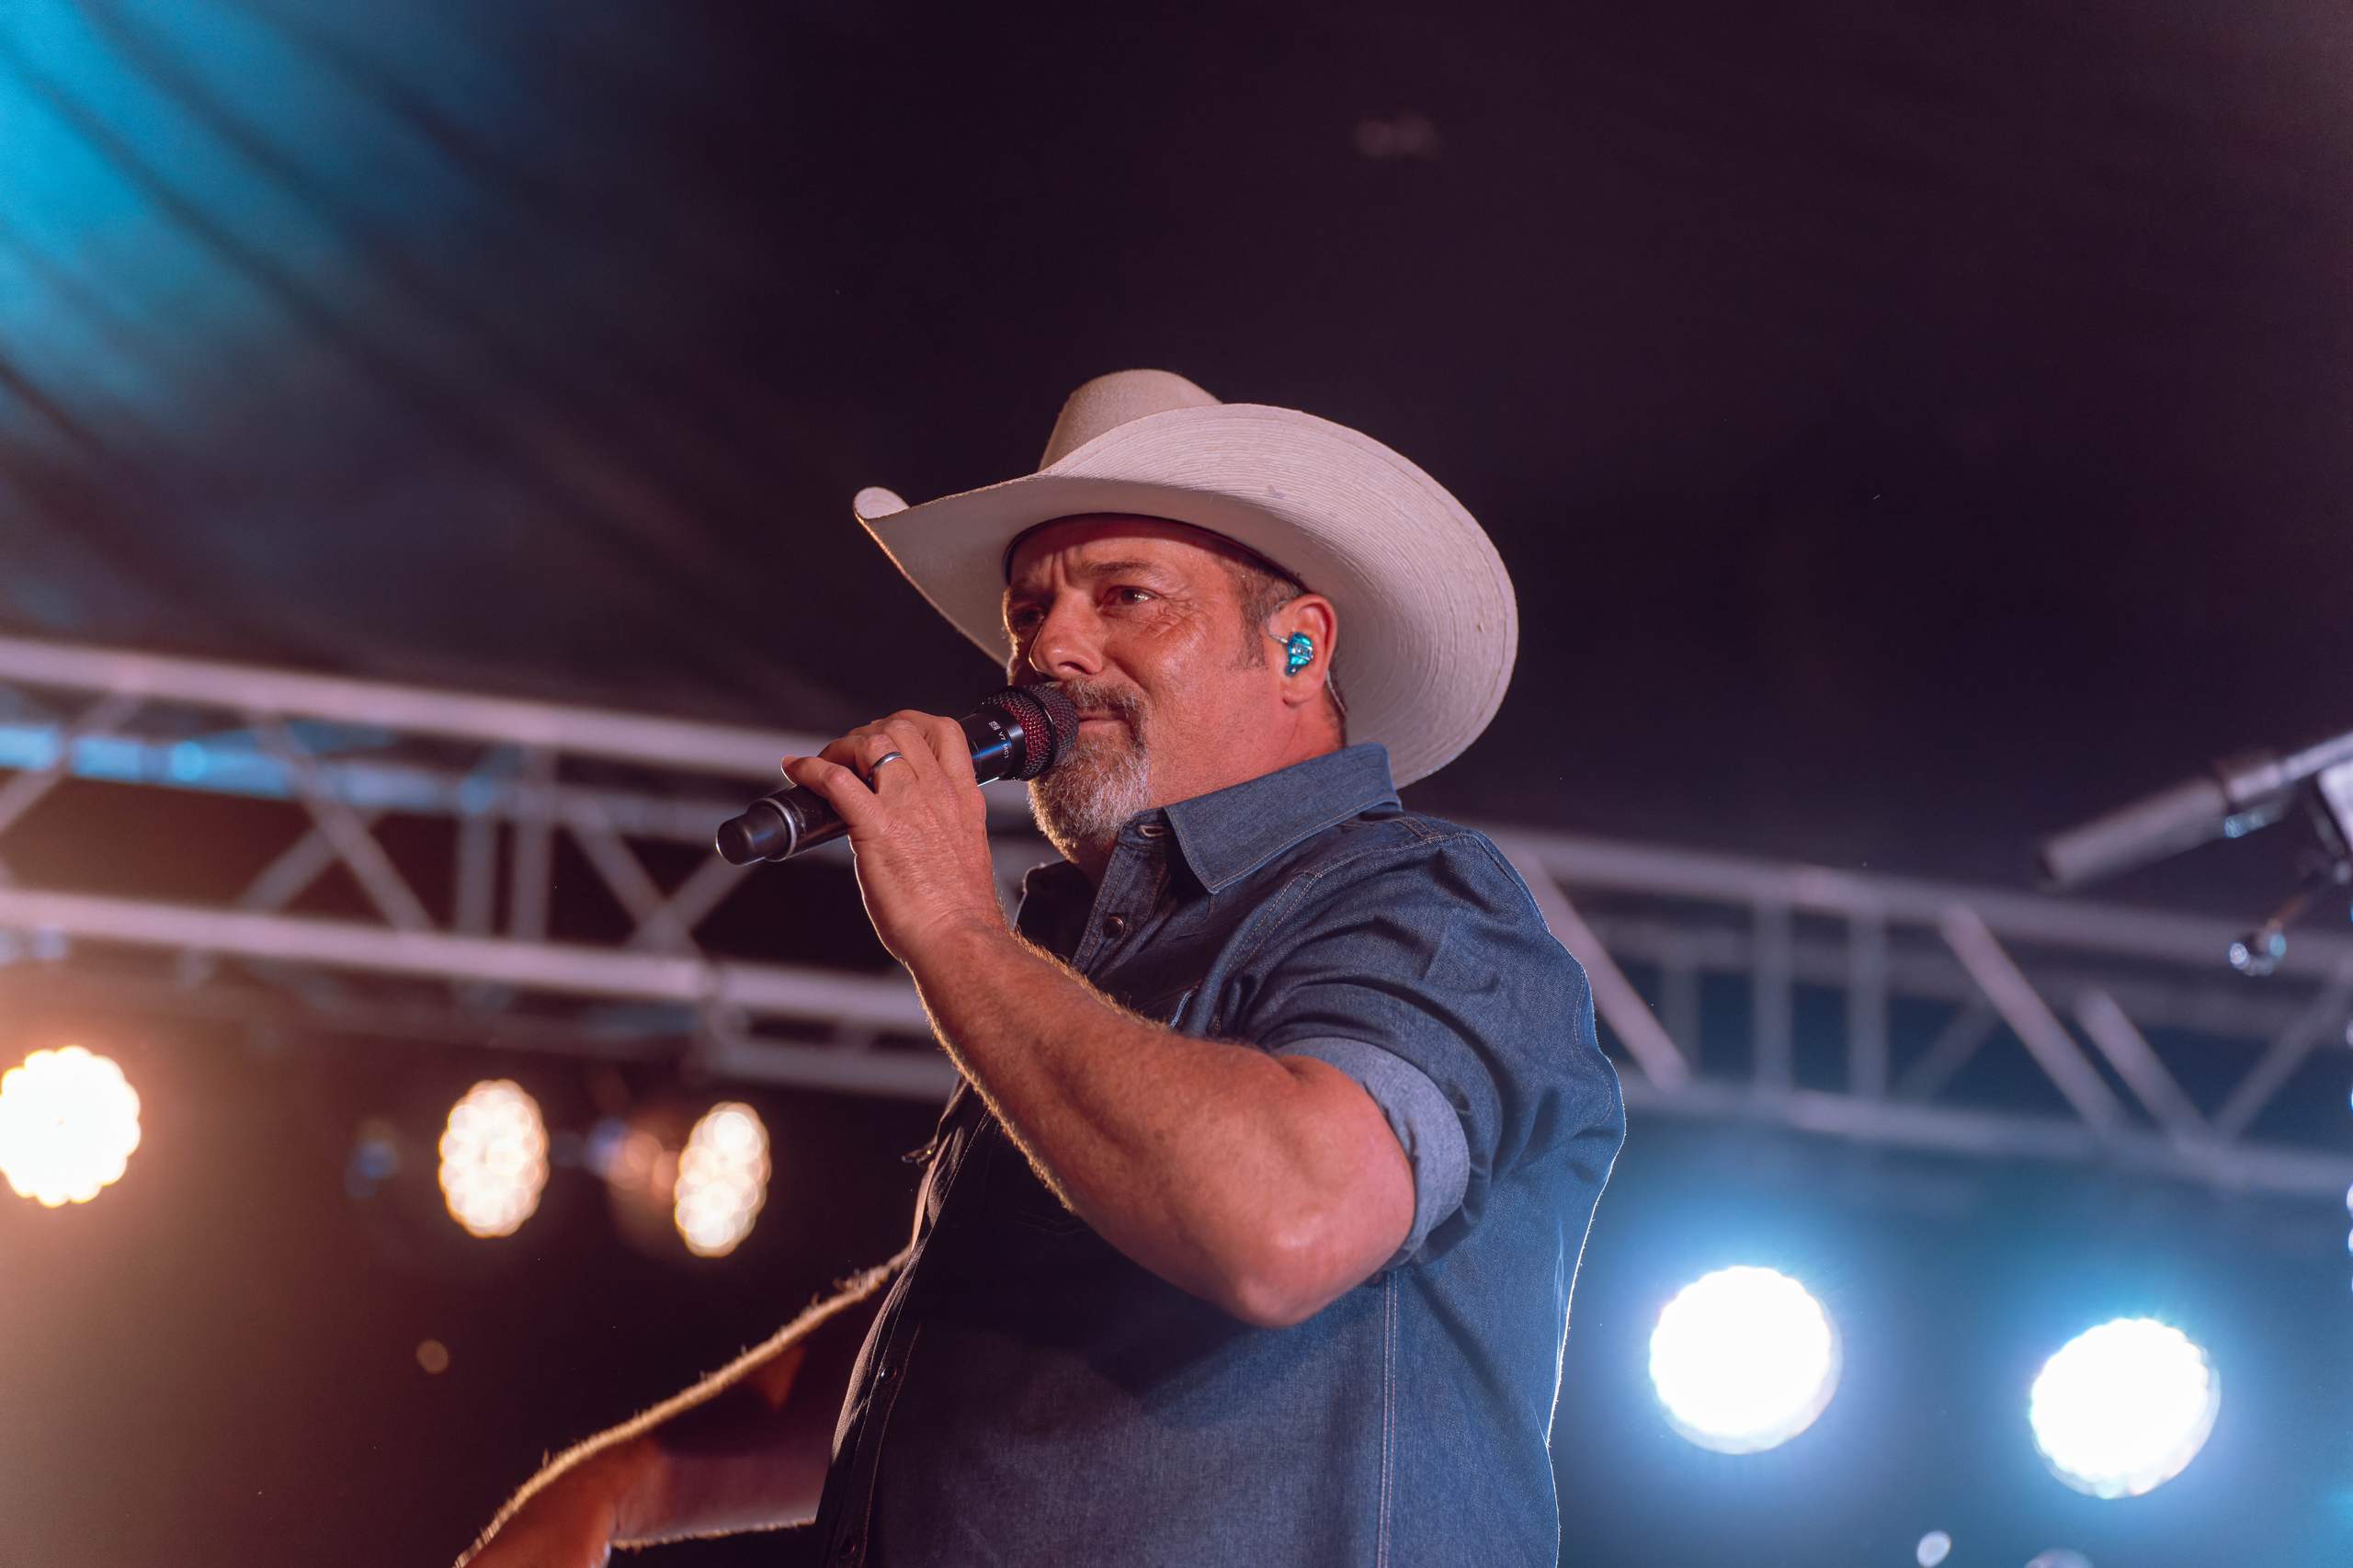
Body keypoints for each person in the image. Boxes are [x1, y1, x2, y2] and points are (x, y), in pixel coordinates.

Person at [458, 370, 1625, 1567]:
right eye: (1030, 611)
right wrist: (611, 1486)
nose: (1051, 648)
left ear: (1295, 643)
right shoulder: (1083, 968)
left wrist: (957, 935)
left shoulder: (1423, 901)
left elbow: (1288, 1219)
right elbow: (976, 1321)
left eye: (1127, 596)